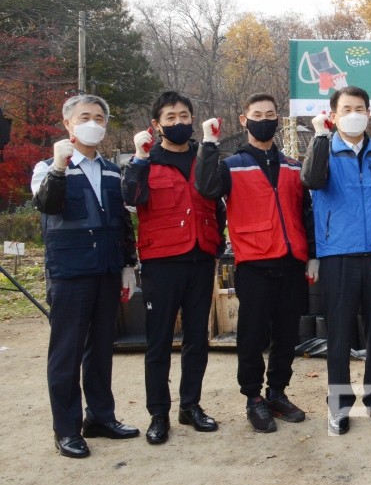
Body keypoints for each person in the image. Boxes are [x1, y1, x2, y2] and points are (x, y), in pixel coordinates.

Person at [195, 93, 315, 434]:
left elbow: (306, 213)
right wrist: (208, 145)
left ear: (278, 119)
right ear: (244, 120)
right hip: (255, 264)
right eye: (257, 114)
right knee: (252, 335)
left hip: (292, 262)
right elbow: (205, 188)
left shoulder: (293, 166)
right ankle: (253, 398)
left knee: (287, 334)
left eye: (270, 114)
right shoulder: (231, 165)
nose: (265, 120)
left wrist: (312, 256)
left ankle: (277, 393)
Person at [31, 94, 140, 458]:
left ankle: (100, 417)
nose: (92, 123)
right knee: (67, 353)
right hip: (70, 274)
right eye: (84, 117)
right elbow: (47, 205)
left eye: (98, 117)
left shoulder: (110, 170)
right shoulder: (47, 168)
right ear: (68, 124)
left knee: (101, 350)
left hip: (106, 271)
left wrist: (128, 265)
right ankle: (66, 429)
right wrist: (59, 168)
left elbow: (122, 221)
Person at [122, 91, 226, 444]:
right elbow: (131, 198)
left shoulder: (205, 157)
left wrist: (217, 245)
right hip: (161, 261)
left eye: (184, 116)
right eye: (170, 117)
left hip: (201, 257)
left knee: (197, 338)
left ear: (192, 119)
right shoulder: (145, 161)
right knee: (159, 340)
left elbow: (218, 205)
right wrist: (139, 158)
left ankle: (190, 406)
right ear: (157, 124)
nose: (178, 122)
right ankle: (158, 414)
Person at [303, 86, 371, 434]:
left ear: (369, 113)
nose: (354, 114)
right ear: (333, 115)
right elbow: (311, 180)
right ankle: (339, 406)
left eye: (359, 108)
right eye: (346, 109)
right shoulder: (323, 150)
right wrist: (320, 137)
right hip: (337, 256)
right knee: (339, 335)